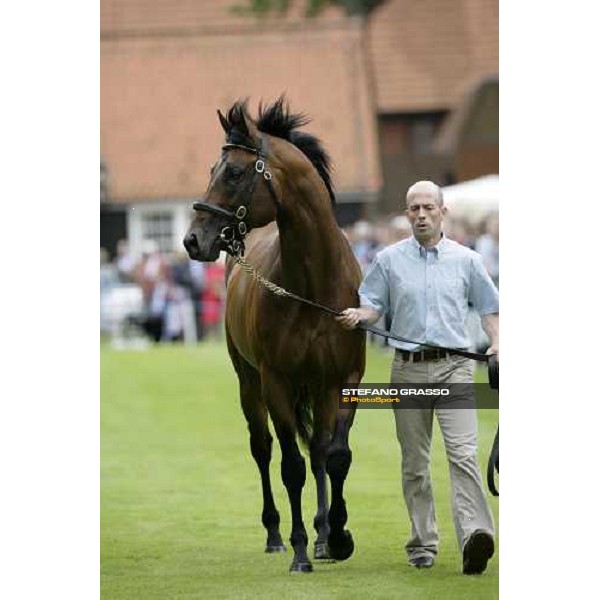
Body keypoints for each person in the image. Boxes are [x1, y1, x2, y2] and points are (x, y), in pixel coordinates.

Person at [336, 181, 499, 575]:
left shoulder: (467, 260)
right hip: (407, 370)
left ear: (443, 212)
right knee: (414, 462)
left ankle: (475, 535)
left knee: (462, 454)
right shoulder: (389, 260)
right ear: (407, 214)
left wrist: (497, 342)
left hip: (455, 369)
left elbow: (490, 309)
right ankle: (423, 543)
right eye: (414, 208)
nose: (421, 214)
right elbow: (372, 304)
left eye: (428, 207)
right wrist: (360, 315)